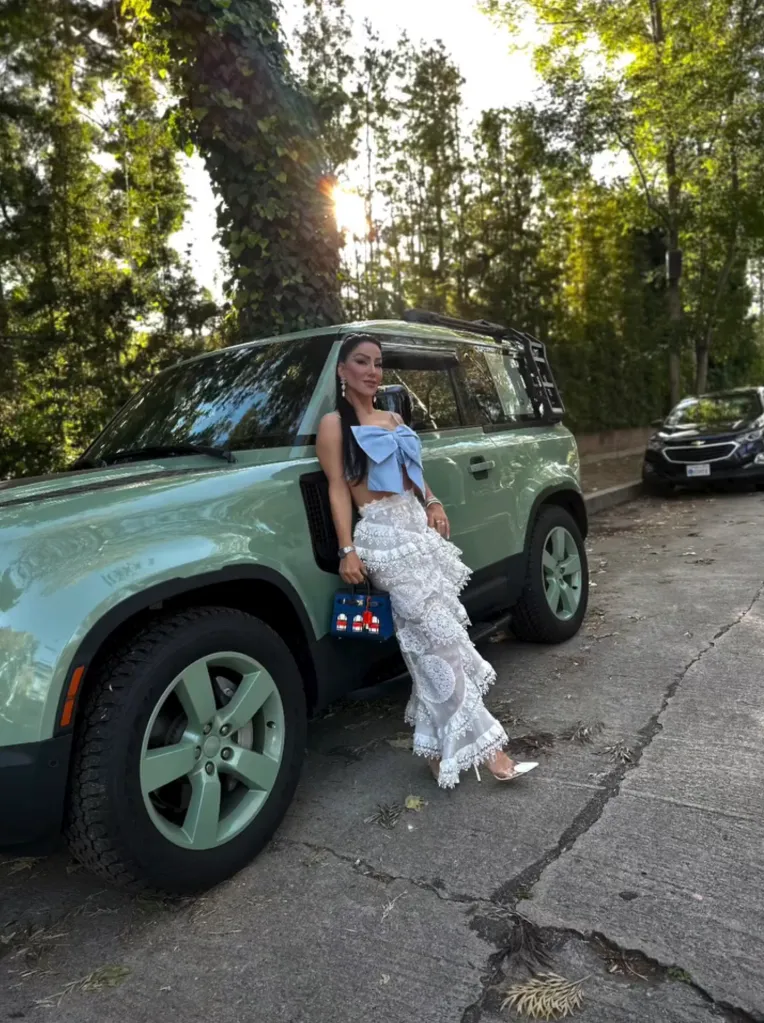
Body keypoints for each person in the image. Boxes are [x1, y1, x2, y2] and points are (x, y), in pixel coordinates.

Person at [316, 332, 538, 789]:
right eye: (361, 361)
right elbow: (338, 488)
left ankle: (438, 751)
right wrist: (346, 549)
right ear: (342, 371)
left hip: (419, 531)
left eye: (377, 362)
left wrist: (433, 502)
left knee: (429, 644)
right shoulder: (333, 426)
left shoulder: (393, 416)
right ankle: (492, 750)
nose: (372, 370)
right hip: (381, 537)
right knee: (440, 642)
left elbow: (412, 476)